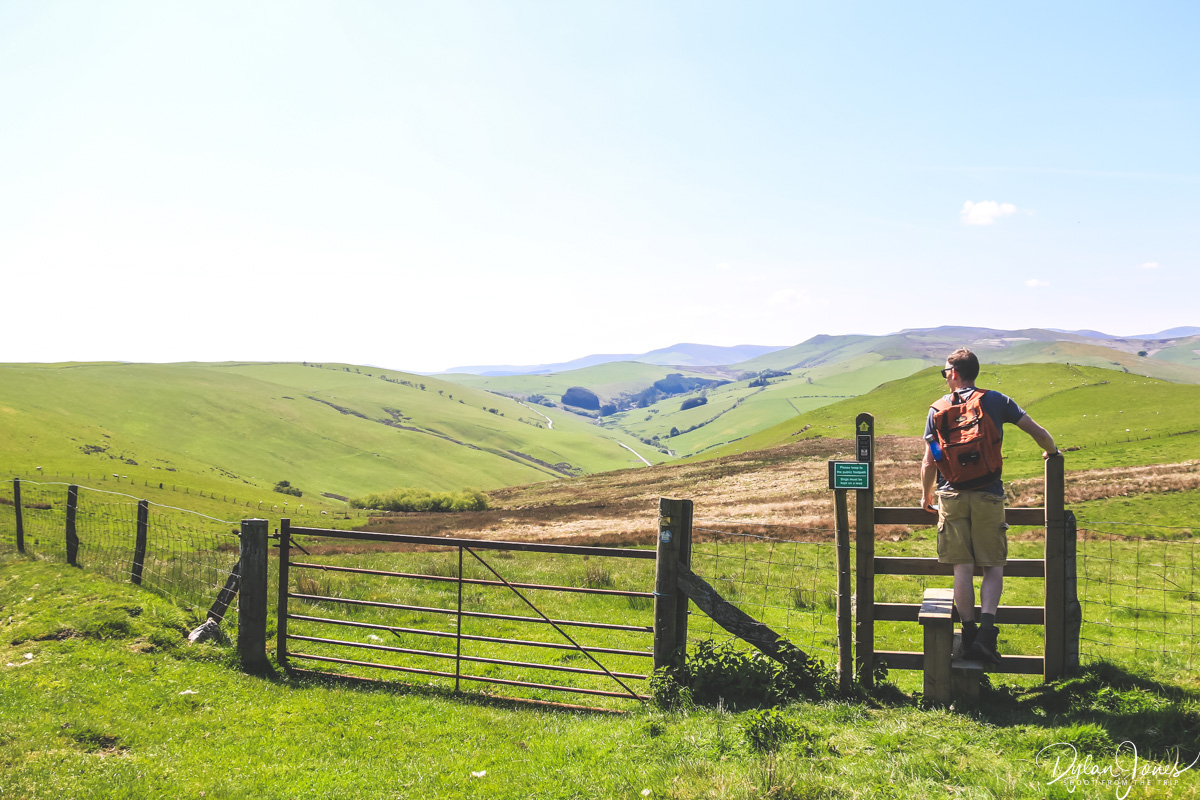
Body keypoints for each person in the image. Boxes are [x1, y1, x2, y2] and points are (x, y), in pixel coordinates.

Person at [920, 348, 1059, 664]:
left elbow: (930, 461)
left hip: (951, 495)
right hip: (989, 494)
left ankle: (969, 636)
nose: (945, 377)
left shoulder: (937, 409)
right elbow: (1037, 432)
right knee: (993, 565)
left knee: (962, 568)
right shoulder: (996, 400)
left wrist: (926, 495)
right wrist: (1052, 453)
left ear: (954, 372)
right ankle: (986, 634)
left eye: (945, 372)